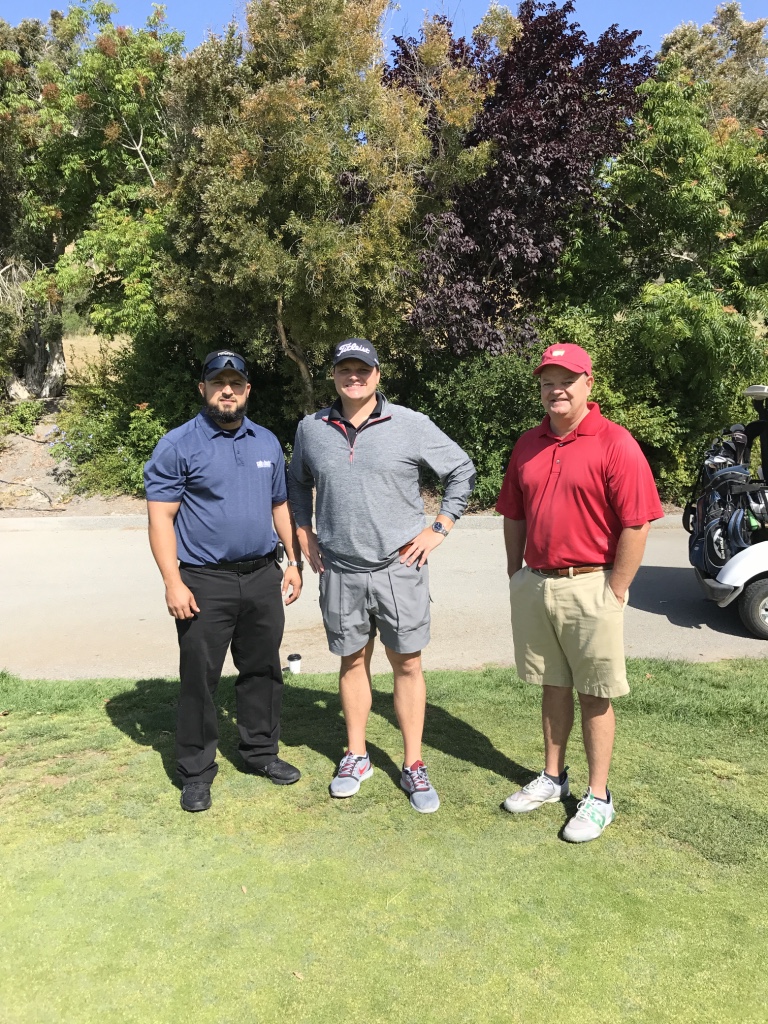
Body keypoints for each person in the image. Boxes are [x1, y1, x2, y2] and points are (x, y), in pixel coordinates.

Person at [288, 338, 475, 813]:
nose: (353, 377)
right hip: (340, 568)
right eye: (344, 369)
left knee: (407, 664)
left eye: (362, 369)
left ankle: (413, 764)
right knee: (352, 661)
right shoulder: (311, 428)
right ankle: (357, 756)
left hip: (400, 567)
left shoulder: (411, 424)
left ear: (377, 374)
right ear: (334, 375)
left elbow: (461, 470)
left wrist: (439, 527)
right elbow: (296, 483)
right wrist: (303, 530)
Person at [496, 343, 662, 842]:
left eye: (567, 380)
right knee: (552, 685)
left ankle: (598, 797)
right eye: (548, 382)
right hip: (537, 582)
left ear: (589, 383)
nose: (556, 390)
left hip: (592, 583)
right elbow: (513, 514)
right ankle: (553, 777)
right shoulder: (528, 443)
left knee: (595, 693)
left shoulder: (615, 442)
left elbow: (637, 523)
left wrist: (616, 589)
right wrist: (515, 574)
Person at [144, 349, 304, 813]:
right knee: (200, 677)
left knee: (263, 669)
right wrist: (172, 582)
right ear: (204, 389)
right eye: (218, 383)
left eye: (235, 383)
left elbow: (280, 506)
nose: (227, 391)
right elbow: (160, 519)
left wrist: (293, 562)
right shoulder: (178, 444)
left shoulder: (266, 442)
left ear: (247, 390)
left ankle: (260, 752)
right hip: (203, 581)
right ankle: (196, 771)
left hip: (262, 576)